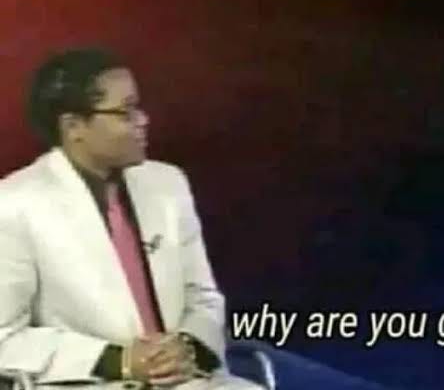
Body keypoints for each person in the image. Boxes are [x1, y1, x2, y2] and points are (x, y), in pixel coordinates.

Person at [0, 48, 264, 389]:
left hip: (188, 381)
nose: (143, 120)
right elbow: (6, 338)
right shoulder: (15, 203)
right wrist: (119, 361)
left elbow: (203, 299)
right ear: (73, 126)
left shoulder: (168, 184)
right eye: (126, 111)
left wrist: (189, 348)